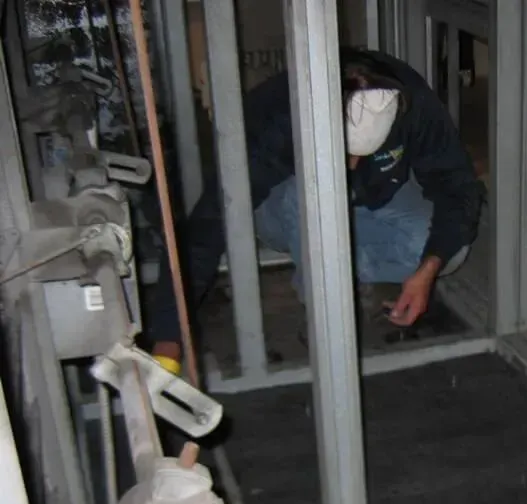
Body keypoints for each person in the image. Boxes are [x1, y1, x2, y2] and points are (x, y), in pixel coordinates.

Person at [148, 47, 485, 374]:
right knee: (306, 189)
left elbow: (458, 187)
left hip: (370, 201)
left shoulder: (412, 103)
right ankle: (324, 306)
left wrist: (426, 271)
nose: (353, 166)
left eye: (363, 157)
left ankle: (341, 271)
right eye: (346, 155)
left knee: (447, 254)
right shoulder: (273, 121)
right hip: (282, 211)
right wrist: (168, 336)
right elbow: (207, 228)